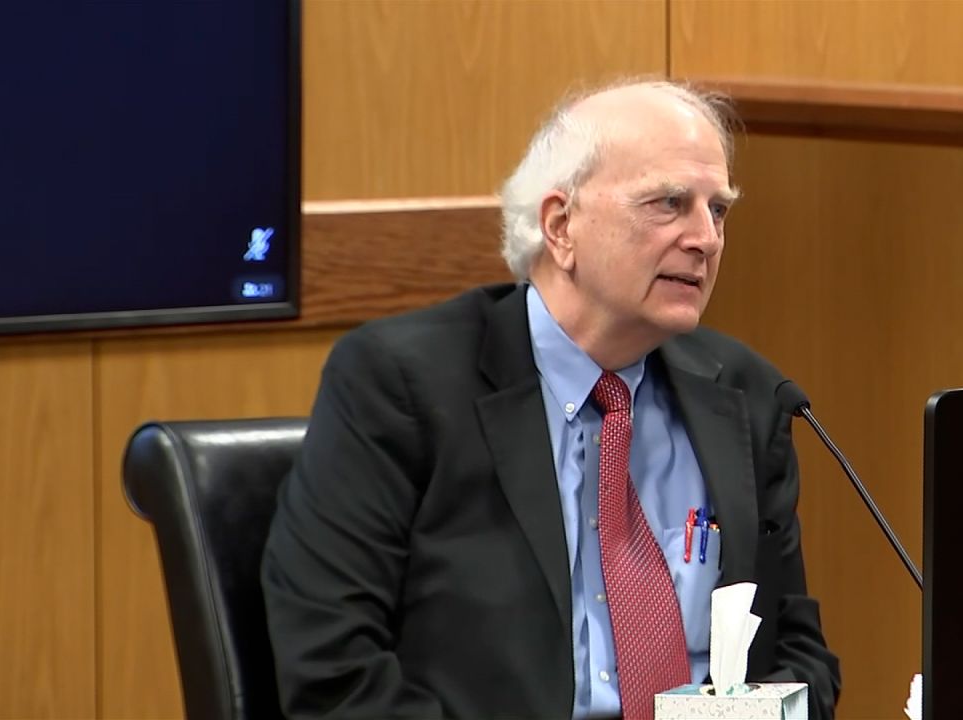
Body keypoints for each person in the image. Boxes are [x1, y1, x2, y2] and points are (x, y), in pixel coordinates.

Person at [261, 79, 841, 720]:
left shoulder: (747, 395)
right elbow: (333, 669)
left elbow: (800, 657)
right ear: (561, 226)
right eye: (669, 203)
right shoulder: (402, 384)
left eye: (719, 210)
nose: (705, 237)